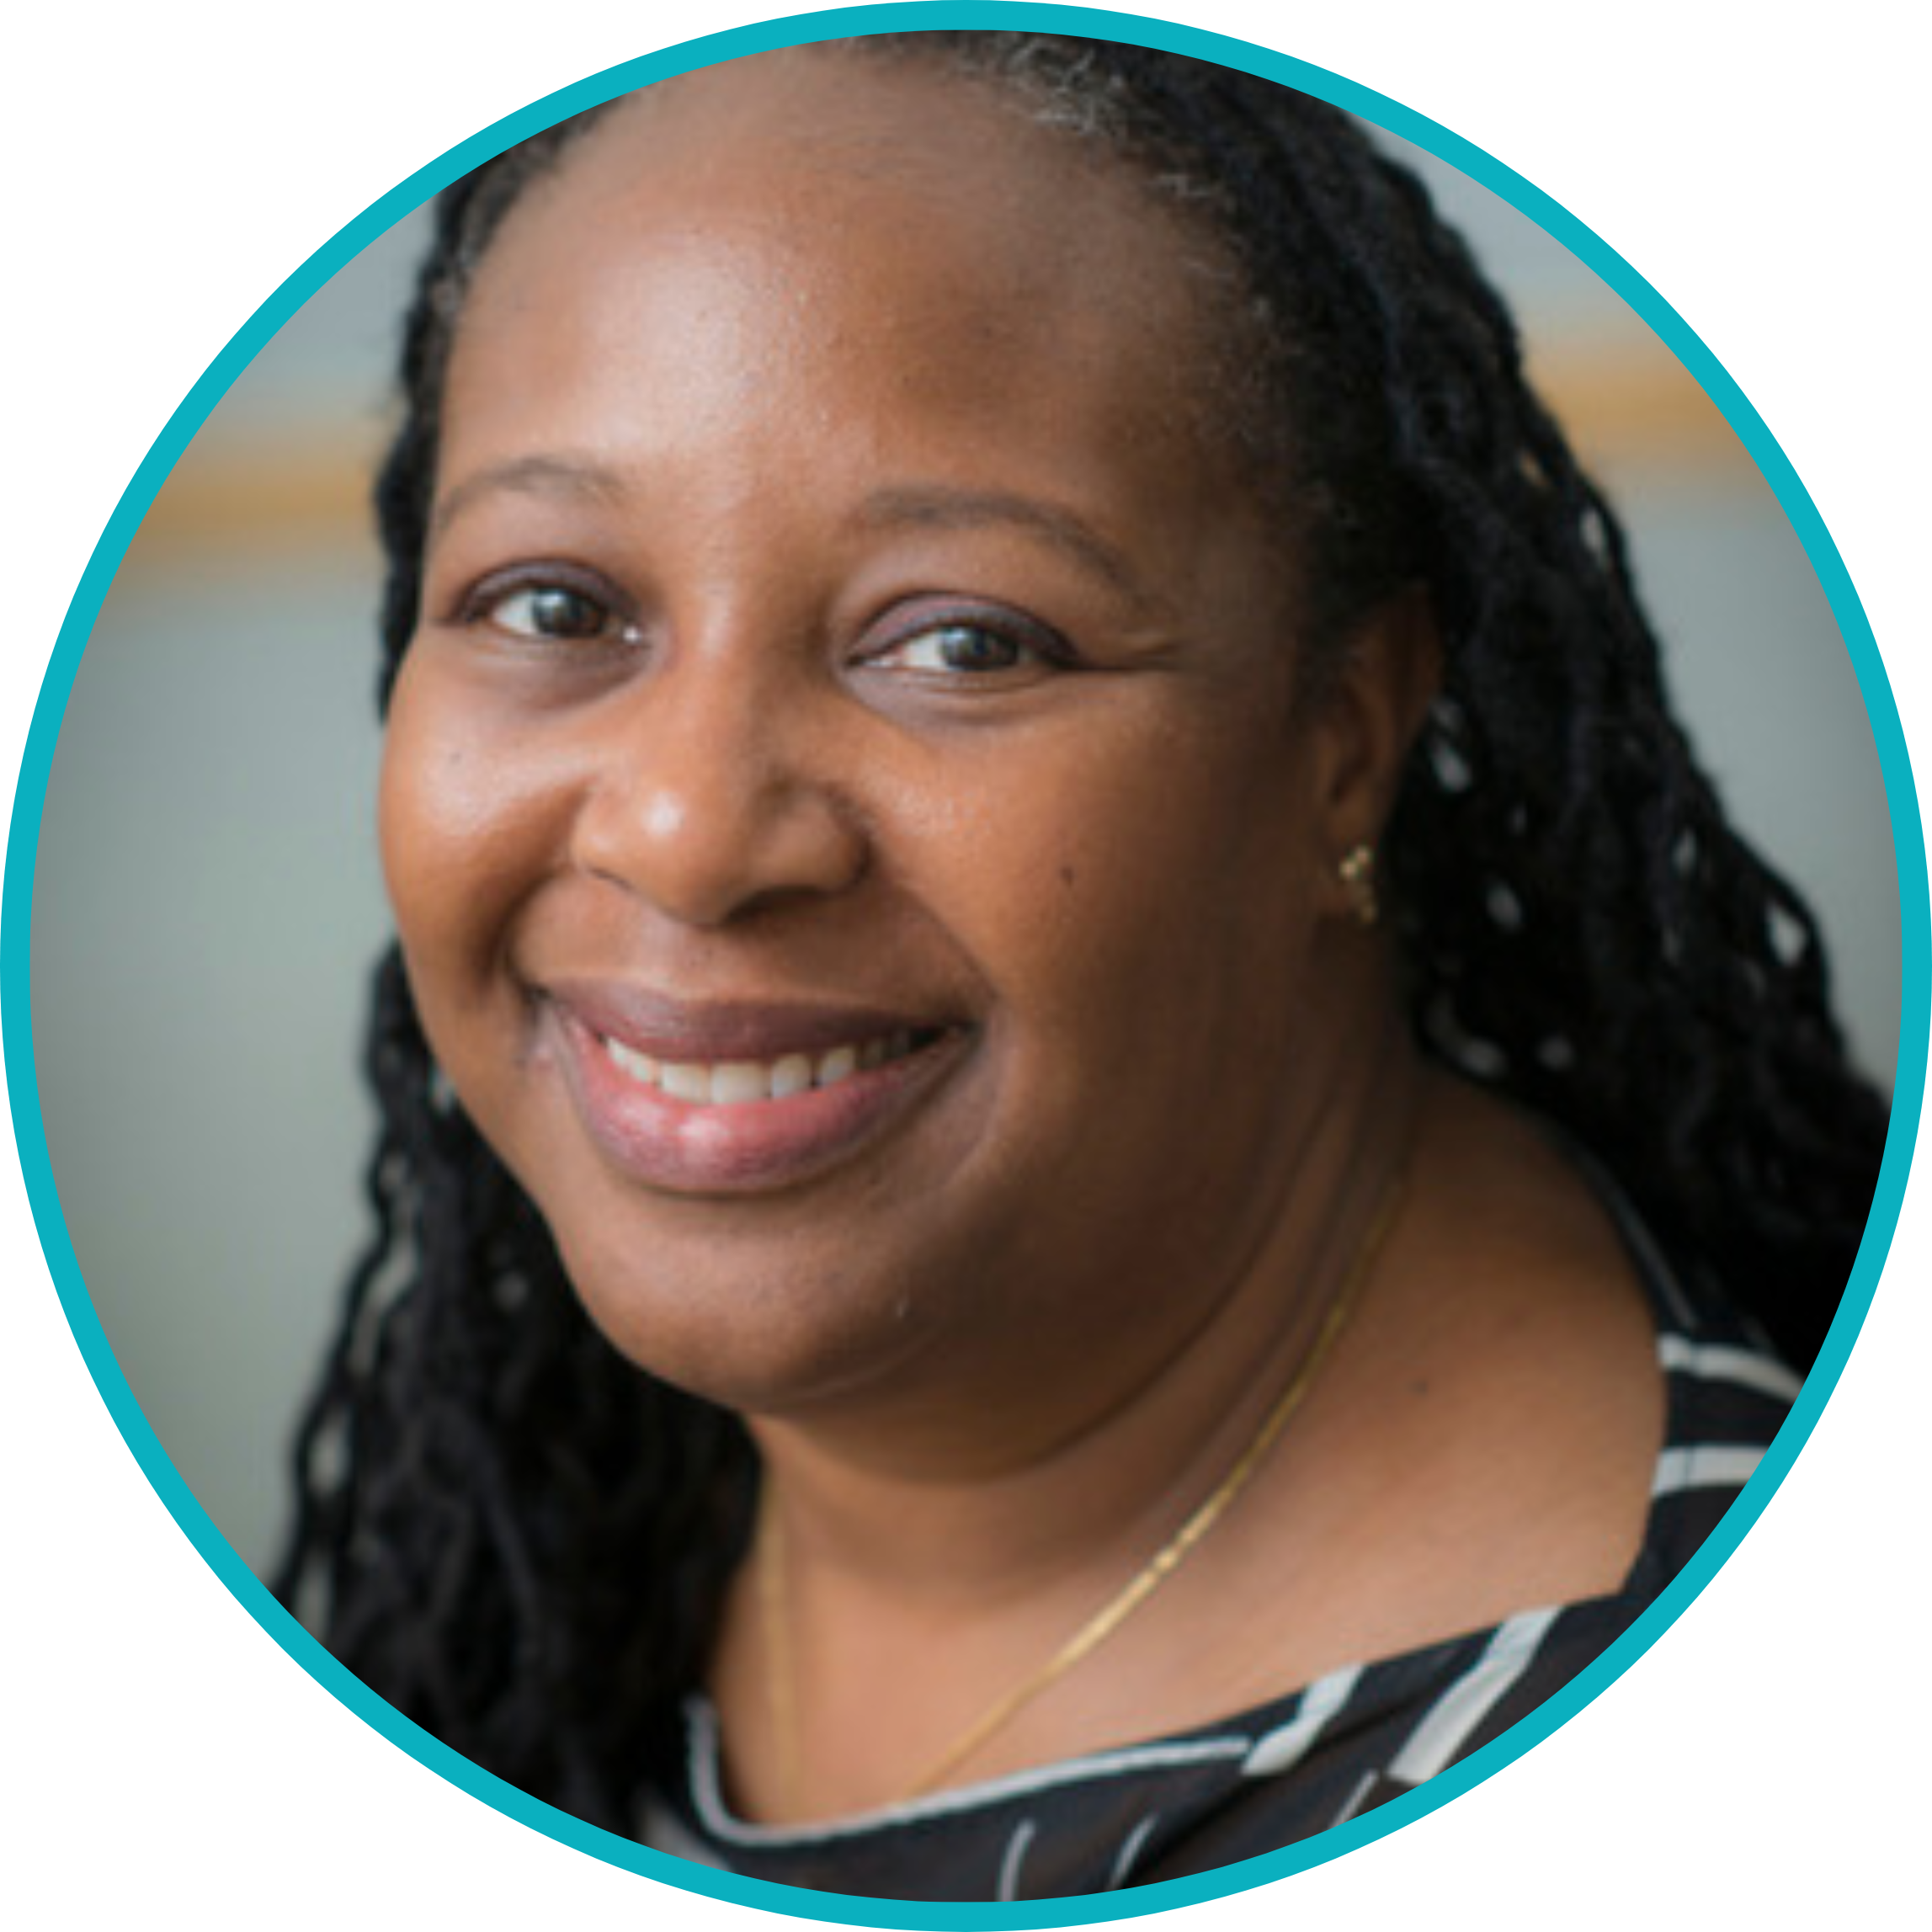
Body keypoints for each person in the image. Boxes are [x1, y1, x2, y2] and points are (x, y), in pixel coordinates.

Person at [274, 32, 1887, 1900]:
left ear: (1343, 737)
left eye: (966, 642)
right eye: (554, 604)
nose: (688, 833)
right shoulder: (577, 1456)